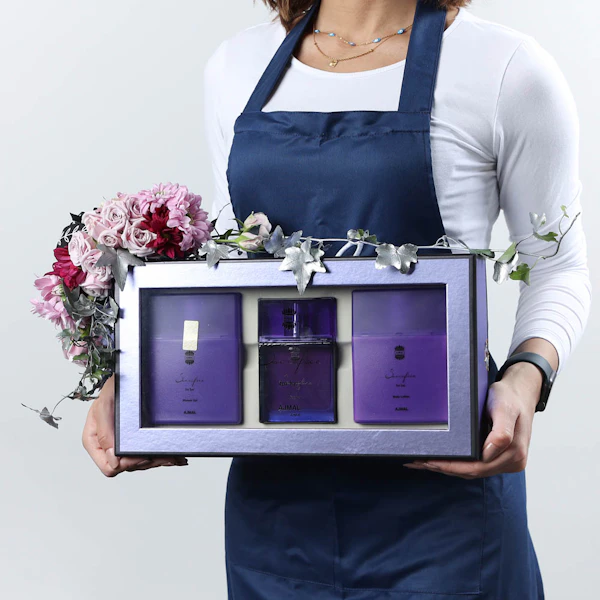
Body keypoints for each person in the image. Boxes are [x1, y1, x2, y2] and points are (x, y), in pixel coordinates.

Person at [83, 1, 592, 598]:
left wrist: (525, 378)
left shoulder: (505, 67)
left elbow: (557, 265)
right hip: (276, 514)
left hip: (448, 507)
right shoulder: (237, 65)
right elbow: (233, 272)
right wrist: (138, 376)